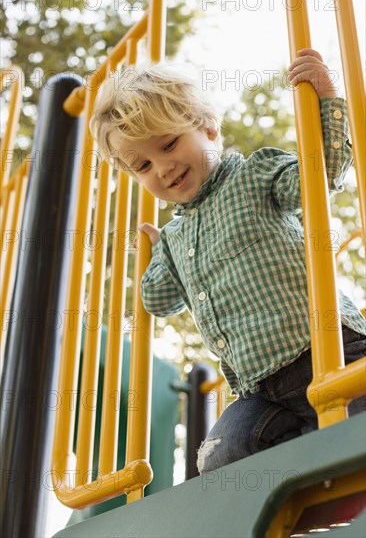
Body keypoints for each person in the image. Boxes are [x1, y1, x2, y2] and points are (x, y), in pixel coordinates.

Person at [90, 48, 366, 473]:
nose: (162, 168)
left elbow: (322, 173)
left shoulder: (254, 177)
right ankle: (313, 472)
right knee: (219, 456)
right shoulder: (174, 239)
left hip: (327, 348)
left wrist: (328, 98)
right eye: (143, 164)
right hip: (260, 390)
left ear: (208, 127)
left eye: (168, 144)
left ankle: (330, 454)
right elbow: (158, 301)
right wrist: (151, 253)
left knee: (355, 411)